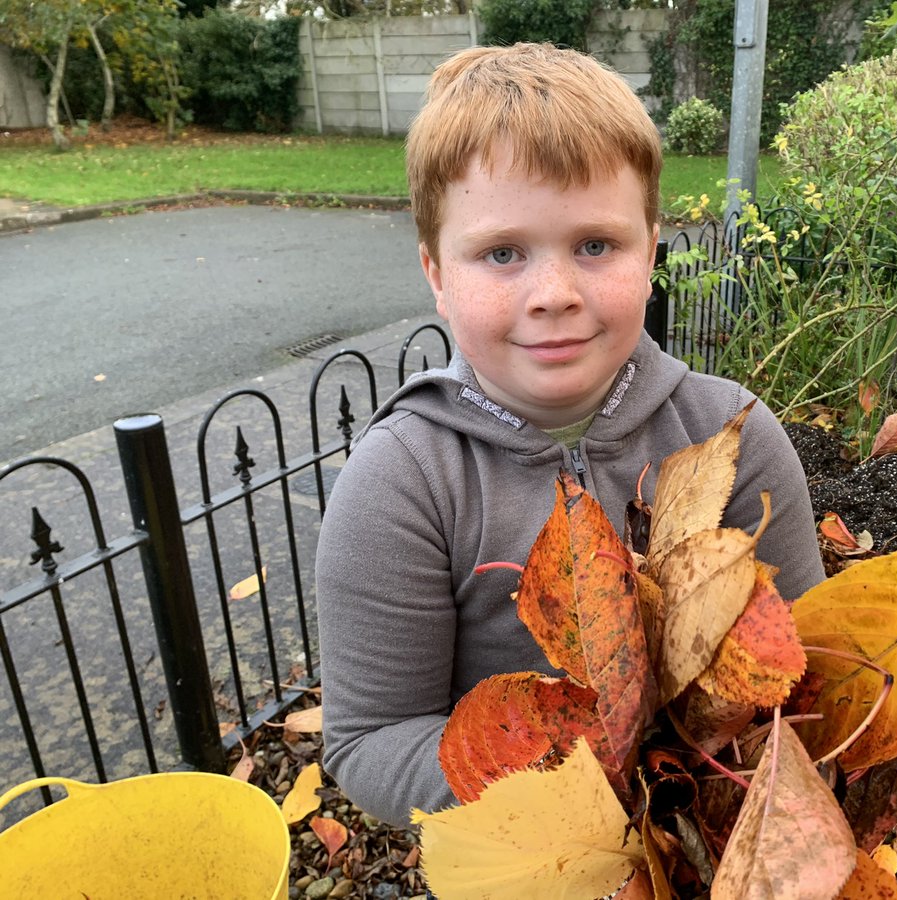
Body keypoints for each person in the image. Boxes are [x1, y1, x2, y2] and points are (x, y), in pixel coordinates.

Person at [315, 42, 825, 828]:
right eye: (502, 253)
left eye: (595, 245)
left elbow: (808, 663)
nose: (553, 293)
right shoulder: (401, 485)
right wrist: (573, 798)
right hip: (526, 849)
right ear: (437, 275)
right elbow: (372, 738)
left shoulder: (734, 438)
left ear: (650, 250)